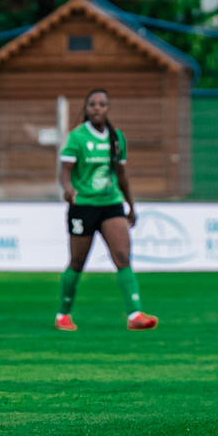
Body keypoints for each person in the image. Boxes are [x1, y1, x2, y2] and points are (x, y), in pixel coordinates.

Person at [55, 88, 157, 332]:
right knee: (77, 261)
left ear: (107, 108)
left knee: (122, 257)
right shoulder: (77, 137)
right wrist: (68, 189)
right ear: (87, 109)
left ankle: (135, 315)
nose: (97, 108)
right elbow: (65, 172)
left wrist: (130, 204)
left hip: (111, 203)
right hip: (84, 206)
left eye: (102, 104)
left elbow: (121, 174)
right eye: (92, 104)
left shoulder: (116, 137)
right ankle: (63, 315)